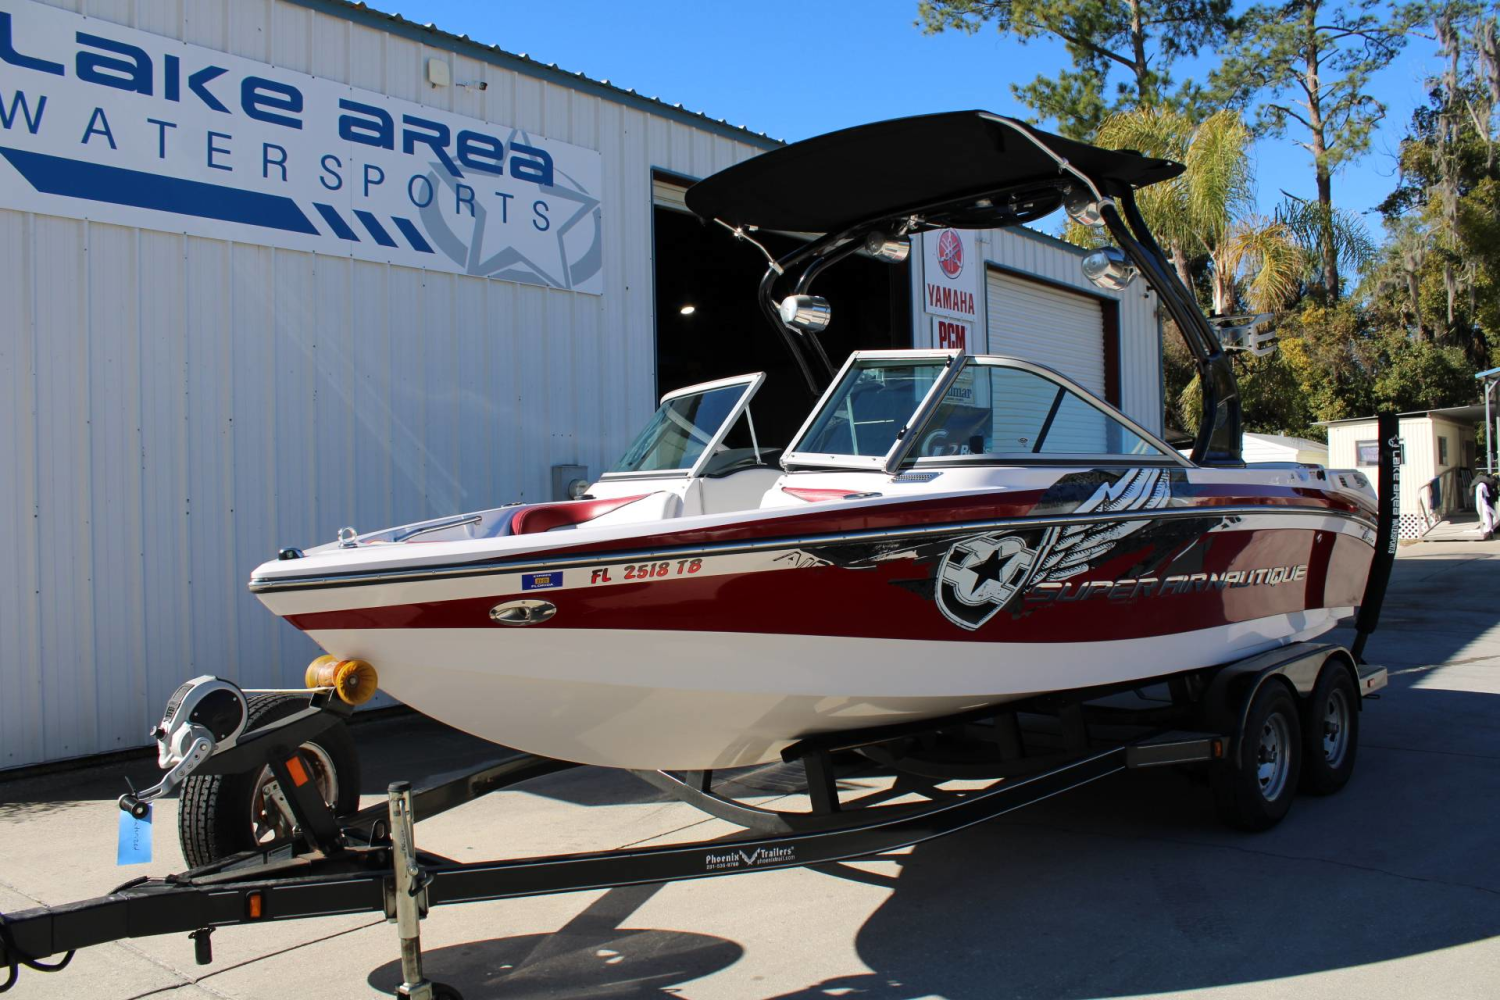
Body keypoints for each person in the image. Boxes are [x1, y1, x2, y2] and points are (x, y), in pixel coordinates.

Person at [1477, 473, 1496, 537]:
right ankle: (1489, 529)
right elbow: (1487, 494)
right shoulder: (1484, 485)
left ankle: (1489, 529)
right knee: (1489, 517)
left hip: (1481, 503)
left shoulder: (1479, 485)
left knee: (1486, 516)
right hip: (1485, 502)